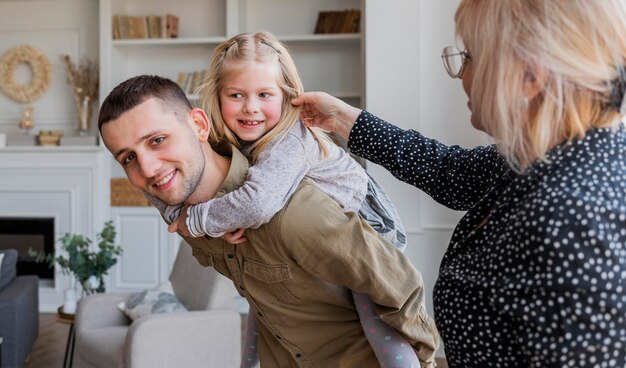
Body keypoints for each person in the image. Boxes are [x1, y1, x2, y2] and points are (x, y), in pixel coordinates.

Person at [292, 0, 626, 366]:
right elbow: (451, 173)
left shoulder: (573, 218)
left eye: (470, 57)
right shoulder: (544, 154)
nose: (460, 74)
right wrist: (343, 119)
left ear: (530, 76)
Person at [98, 74, 440, 367]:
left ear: (199, 125)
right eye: (128, 158)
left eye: (158, 140)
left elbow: (401, 288)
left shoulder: (292, 213)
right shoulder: (187, 218)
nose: (147, 169)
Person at [149, 31, 415, 368]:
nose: (251, 108)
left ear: (288, 96)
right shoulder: (224, 143)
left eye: (264, 94)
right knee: (262, 297)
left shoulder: (291, 138)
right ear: (216, 97)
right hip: (300, 240)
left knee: (376, 314)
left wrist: (199, 220)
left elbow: (257, 203)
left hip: (363, 229)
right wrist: (192, 216)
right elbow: (171, 184)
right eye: (236, 95)